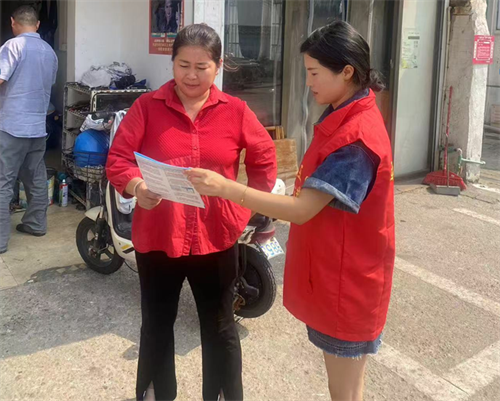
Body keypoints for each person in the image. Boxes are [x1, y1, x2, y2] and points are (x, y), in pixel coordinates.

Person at [186, 21, 395, 401]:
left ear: (347, 72)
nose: (308, 82)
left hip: (348, 282)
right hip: (340, 270)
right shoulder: (346, 113)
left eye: (314, 73)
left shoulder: (356, 139)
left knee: (344, 389)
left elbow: (301, 210)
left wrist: (227, 188)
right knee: (348, 384)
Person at [106, 24, 277, 401]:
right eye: (184, 65)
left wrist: (246, 207)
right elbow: (118, 160)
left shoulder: (236, 111)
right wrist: (138, 187)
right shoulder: (146, 107)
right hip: (158, 236)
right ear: (172, 63)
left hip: (215, 238)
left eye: (202, 67)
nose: (192, 75)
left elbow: (264, 158)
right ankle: (156, 394)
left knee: (220, 326)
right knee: (156, 323)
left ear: (219, 66)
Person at [0, 5, 58, 255]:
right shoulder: (49, 52)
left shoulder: (12, 46)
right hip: (37, 127)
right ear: (37, 25)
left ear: (13, 22)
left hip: (12, 127)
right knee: (35, 177)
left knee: (3, 181)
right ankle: (36, 224)